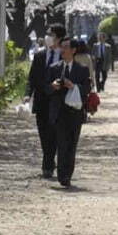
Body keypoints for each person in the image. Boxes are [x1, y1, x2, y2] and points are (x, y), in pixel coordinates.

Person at [48, 36, 92, 187]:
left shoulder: (82, 69)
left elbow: (87, 89)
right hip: (59, 112)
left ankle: (68, 174)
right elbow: (46, 90)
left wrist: (73, 86)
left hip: (75, 112)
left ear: (73, 50)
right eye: (62, 47)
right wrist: (53, 86)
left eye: (66, 47)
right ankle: (62, 175)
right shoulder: (54, 68)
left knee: (72, 144)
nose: (63, 50)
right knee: (61, 144)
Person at [25, 22, 65, 178]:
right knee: (43, 133)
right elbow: (32, 78)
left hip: (57, 101)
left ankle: (47, 164)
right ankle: (48, 159)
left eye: (51, 35)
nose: (48, 37)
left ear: (59, 38)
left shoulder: (65, 55)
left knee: (54, 133)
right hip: (41, 100)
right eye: (47, 34)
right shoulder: (40, 55)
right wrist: (28, 94)